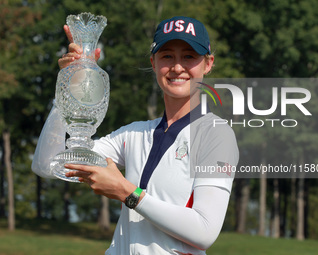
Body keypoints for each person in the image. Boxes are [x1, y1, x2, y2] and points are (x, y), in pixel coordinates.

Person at [32, 16, 239, 255]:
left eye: (189, 56)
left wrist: (126, 192)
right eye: (167, 56)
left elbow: (205, 231)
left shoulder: (217, 134)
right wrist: (68, 85)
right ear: (153, 62)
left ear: (208, 63)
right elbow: (47, 164)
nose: (178, 67)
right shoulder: (134, 133)